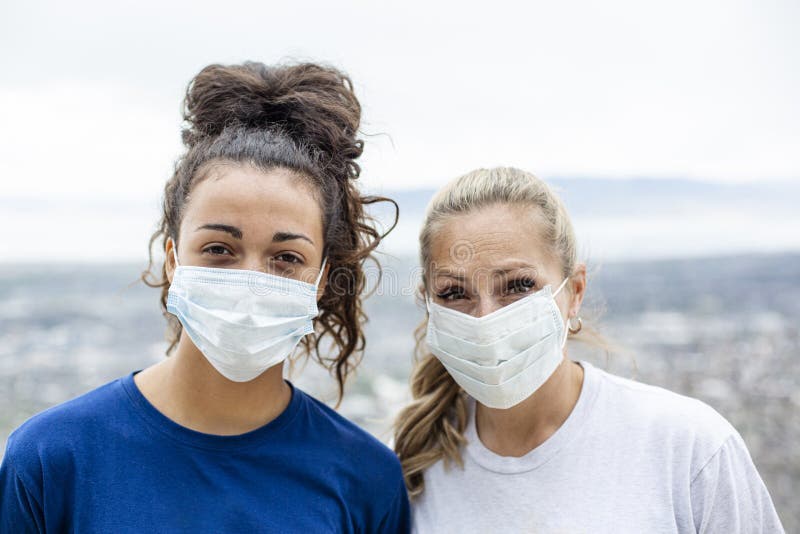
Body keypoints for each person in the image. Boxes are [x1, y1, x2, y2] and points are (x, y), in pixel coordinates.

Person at [1, 61, 410, 533]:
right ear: (173, 261)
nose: (252, 279)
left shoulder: (365, 480)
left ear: (320, 280)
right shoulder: (52, 460)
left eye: (286, 258)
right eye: (219, 249)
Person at [393, 167, 784, 533]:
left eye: (518, 286)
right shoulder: (412, 469)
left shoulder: (688, 447)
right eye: (454, 293)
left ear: (575, 291)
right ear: (430, 306)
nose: (485, 318)